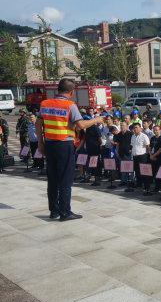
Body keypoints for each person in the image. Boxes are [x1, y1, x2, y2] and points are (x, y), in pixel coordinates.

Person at [35, 78, 104, 221]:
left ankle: (54, 211)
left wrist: (40, 144)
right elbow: (81, 126)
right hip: (64, 145)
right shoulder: (70, 105)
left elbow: (38, 124)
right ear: (71, 92)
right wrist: (96, 120)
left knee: (52, 180)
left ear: (58, 89)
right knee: (65, 180)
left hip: (49, 144)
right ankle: (65, 212)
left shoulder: (45, 103)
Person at [114, 121, 133, 191]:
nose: (122, 127)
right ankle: (123, 181)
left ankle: (130, 181)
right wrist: (117, 151)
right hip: (121, 153)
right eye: (121, 125)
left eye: (123, 125)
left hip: (128, 153)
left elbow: (132, 143)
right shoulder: (119, 134)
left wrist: (131, 149)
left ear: (127, 126)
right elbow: (118, 144)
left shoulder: (130, 134)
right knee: (123, 168)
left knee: (129, 168)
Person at [131, 122, 150, 189]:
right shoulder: (133, 136)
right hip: (135, 156)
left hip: (142, 156)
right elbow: (132, 145)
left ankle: (146, 186)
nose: (135, 129)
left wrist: (147, 155)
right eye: (134, 128)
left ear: (140, 128)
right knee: (137, 171)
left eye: (136, 127)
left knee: (144, 171)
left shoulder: (144, 136)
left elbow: (148, 146)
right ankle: (139, 184)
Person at [84, 115, 102, 185]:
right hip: (90, 149)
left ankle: (97, 180)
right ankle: (94, 179)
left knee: (96, 165)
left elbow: (99, 138)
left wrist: (97, 145)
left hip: (95, 149)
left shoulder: (95, 127)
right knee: (92, 165)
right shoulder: (87, 128)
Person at [149, 125, 161, 192]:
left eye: (157, 130)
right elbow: (150, 148)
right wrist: (150, 155)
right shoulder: (152, 138)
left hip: (160, 158)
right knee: (155, 173)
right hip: (153, 158)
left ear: (160, 130)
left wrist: (153, 156)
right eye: (154, 130)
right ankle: (157, 187)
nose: (155, 131)